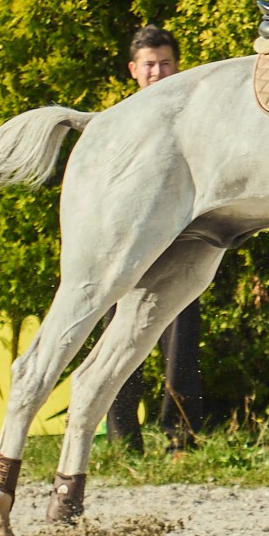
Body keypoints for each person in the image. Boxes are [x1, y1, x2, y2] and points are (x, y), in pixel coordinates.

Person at [108, 26, 208, 450]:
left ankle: (181, 437)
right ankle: (121, 441)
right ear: (134, 70)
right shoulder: (117, 123)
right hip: (127, 248)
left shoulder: (197, 116)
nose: (158, 72)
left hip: (181, 242)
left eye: (165, 63)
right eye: (150, 64)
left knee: (182, 344)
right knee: (119, 343)